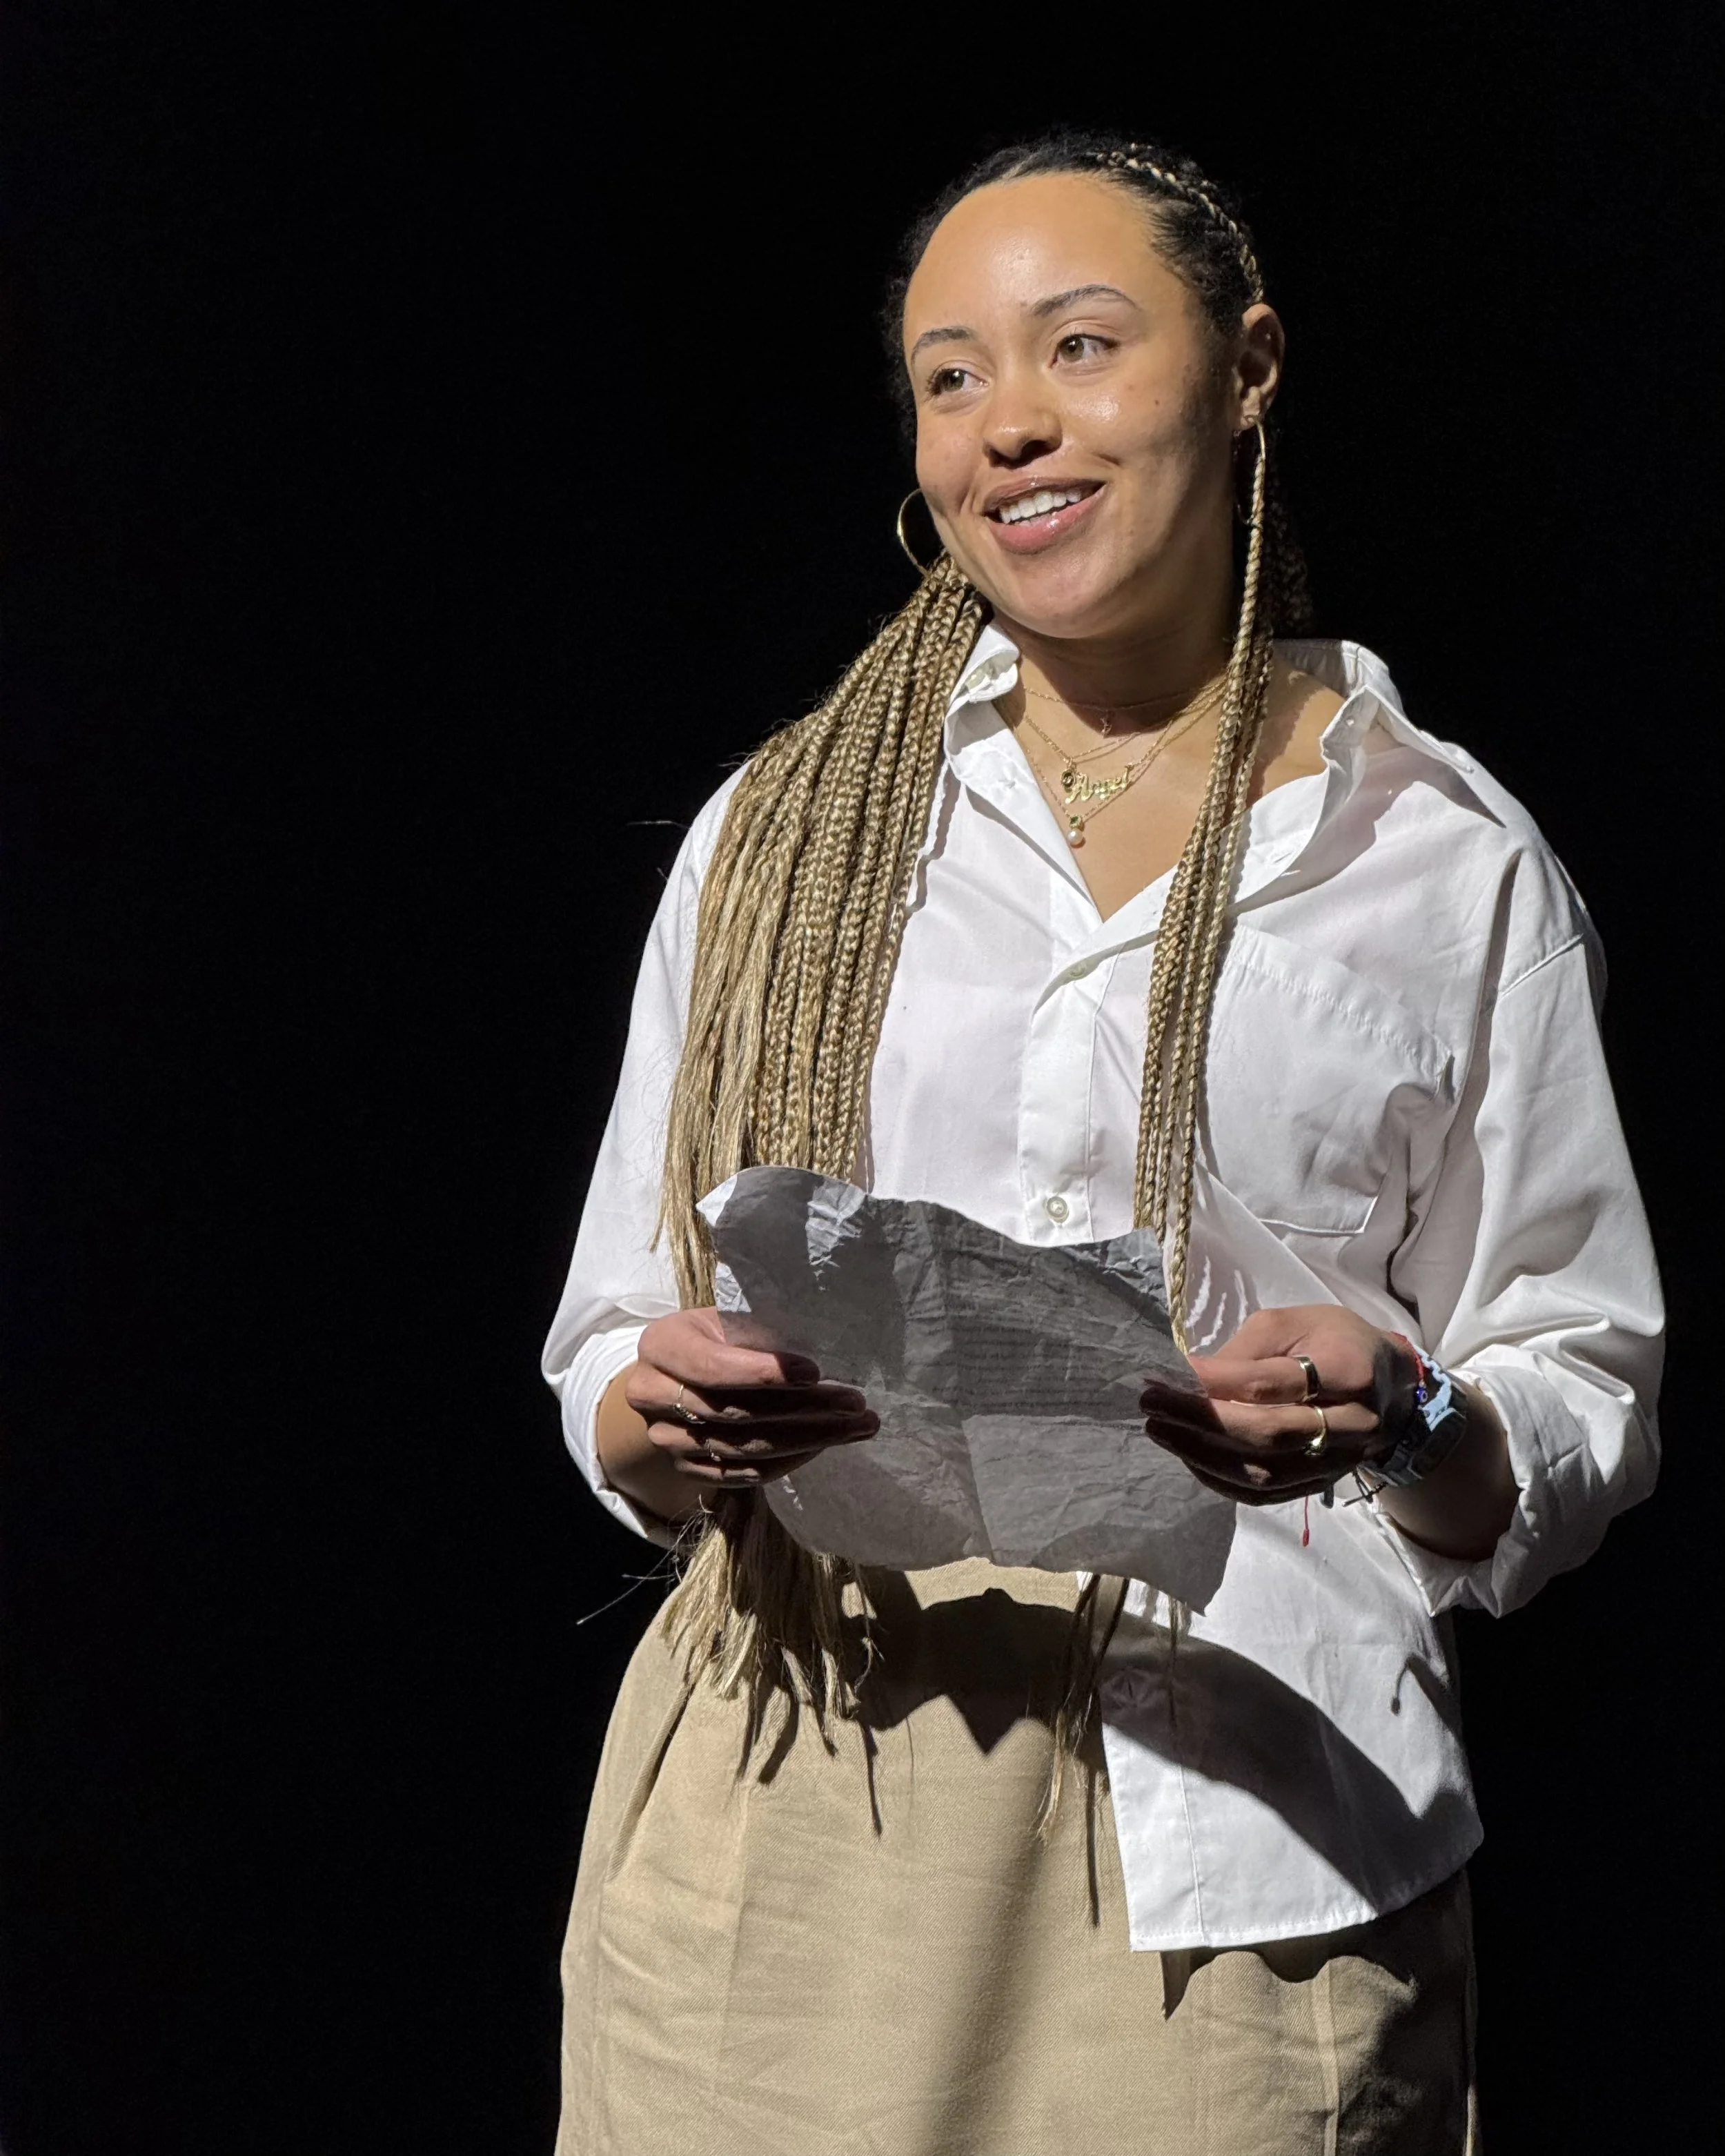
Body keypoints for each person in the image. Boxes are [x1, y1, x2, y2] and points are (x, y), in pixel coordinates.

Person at [542, 131, 1661, 2156]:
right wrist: (650, 1415)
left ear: (1245, 368)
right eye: (950, 374)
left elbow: (1577, 1367)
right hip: (802, 1788)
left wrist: (1408, 1414)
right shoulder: (781, 831)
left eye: (1079, 343)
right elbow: (612, 1332)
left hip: (1243, 1828)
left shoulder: (1435, 857)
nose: (1009, 425)